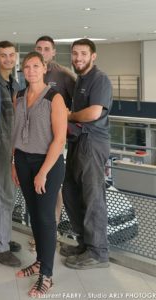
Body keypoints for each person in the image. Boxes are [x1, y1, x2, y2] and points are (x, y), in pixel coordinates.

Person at [12, 51, 67, 297]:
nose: (31, 70)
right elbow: (15, 133)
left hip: (48, 164)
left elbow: (59, 139)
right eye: (27, 67)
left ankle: (47, 274)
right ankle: (39, 263)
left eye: (36, 66)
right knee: (34, 215)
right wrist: (13, 162)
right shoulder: (20, 95)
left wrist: (43, 172)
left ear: (44, 68)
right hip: (23, 160)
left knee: (45, 218)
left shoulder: (54, 98)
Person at [62, 38, 113, 269]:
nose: (78, 58)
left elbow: (93, 113)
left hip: (92, 144)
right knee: (72, 194)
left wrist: (68, 115)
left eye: (83, 53)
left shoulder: (99, 79)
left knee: (93, 198)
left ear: (93, 56)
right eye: (75, 53)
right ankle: (84, 244)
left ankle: (98, 252)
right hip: (76, 142)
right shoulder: (81, 79)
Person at [34, 35, 76, 252]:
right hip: (36, 140)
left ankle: (52, 231)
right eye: (39, 48)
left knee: (53, 187)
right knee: (39, 186)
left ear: (53, 52)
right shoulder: (33, 70)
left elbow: (78, 103)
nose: (42, 51)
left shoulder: (64, 75)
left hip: (57, 140)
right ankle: (40, 232)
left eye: (46, 49)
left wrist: (68, 117)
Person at [0, 41, 21, 267]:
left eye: (11, 55)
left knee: (7, 195)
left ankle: (3, 235)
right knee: (0, 195)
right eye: (3, 55)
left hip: (12, 146)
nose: (8, 59)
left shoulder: (15, 83)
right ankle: (0, 246)